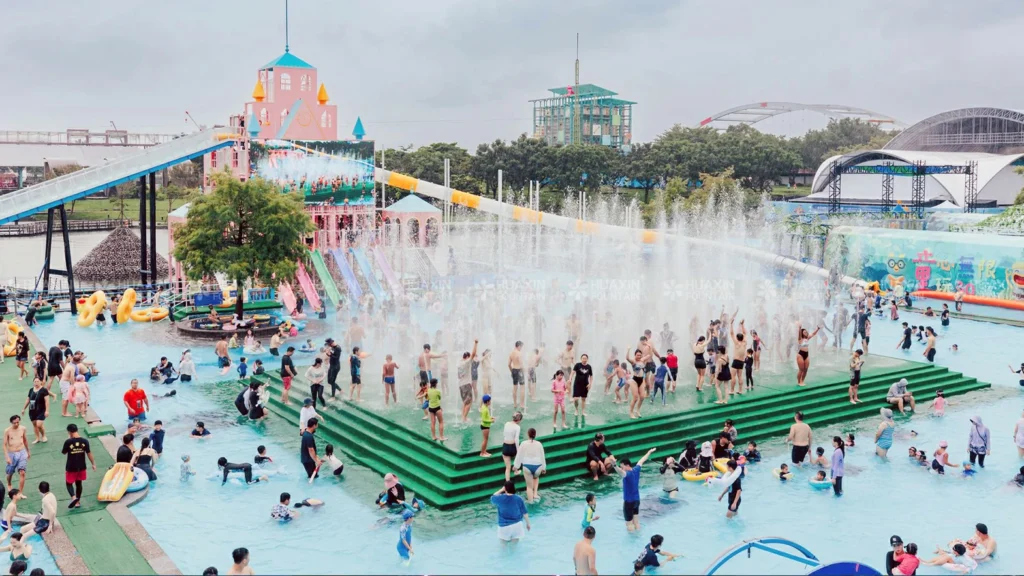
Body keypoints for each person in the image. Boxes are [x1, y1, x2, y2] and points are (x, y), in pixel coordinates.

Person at [616, 447, 657, 532]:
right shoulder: (636, 470)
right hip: (636, 500)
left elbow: (620, 472)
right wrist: (649, 452)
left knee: (629, 524)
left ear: (627, 465)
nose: (622, 468)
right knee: (636, 521)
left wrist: (614, 464)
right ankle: (638, 533)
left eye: (622, 467)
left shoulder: (627, 475)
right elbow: (642, 460)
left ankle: (632, 541)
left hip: (629, 502)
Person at [61, 423, 95, 508]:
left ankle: (73, 497)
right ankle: (78, 501)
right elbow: (89, 453)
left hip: (71, 466)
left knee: (68, 483)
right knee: (79, 483)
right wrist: (93, 464)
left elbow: (64, 452)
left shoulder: (68, 442)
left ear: (69, 432)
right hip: (82, 466)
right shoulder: (85, 441)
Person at [512, 428, 546, 503]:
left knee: (529, 486)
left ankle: (530, 501)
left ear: (528, 434)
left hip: (527, 466)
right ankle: (535, 494)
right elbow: (542, 456)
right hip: (538, 466)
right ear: (535, 434)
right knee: (536, 478)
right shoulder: (539, 444)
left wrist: (516, 466)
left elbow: (519, 456)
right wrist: (543, 468)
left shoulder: (523, 443)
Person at [4, 415, 30, 493]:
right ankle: (9, 484)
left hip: (22, 452)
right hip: (12, 453)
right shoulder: (7, 431)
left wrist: (28, 451)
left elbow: (25, 440)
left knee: (22, 472)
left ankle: (20, 492)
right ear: (11, 422)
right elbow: (4, 445)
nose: (16, 424)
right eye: (14, 423)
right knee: (10, 472)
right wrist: (7, 457)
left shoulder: (23, 429)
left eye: (18, 422)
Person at [21, 379, 49, 444]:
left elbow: (47, 401)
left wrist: (47, 411)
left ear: (41, 382)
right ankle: (37, 438)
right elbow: (28, 399)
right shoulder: (31, 390)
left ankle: (44, 436)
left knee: (39, 424)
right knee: (34, 424)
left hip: (41, 410)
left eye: (38, 381)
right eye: (35, 381)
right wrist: (23, 408)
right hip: (32, 409)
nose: (36, 383)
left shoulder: (44, 390)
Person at [458, 342, 479, 423]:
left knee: (465, 402)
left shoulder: (459, 363)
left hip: (461, 385)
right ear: (467, 357)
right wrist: (476, 344)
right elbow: (473, 354)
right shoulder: (467, 362)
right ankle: (464, 418)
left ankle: (463, 417)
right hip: (466, 385)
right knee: (469, 403)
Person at [501, 412, 522, 481]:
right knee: (517, 458)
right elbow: (516, 439)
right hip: (512, 446)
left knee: (507, 468)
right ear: (519, 420)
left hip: (506, 446)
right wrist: (518, 450)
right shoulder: (517, 427)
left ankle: (508, 482)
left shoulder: (506, 424)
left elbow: (504, 435)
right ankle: (515, 470)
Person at [508, 341, 526, 410]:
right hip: (519, 370)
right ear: (519, 346)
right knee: (522, 388)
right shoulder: (519, 353)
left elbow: (509, 364)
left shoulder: (511, 353)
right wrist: (525, 371)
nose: (521, 348)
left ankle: (515, 404)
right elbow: (521, 364)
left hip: (514, 370)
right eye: (521, 347)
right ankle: (522, 404)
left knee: (515, 388)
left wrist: (512, 371)